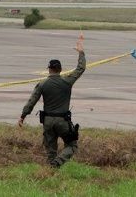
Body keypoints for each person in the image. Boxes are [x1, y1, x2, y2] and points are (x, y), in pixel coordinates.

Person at [18, 38, 86, 168]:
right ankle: (57, 163)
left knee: (51, 150)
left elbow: (32, 101)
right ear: (61, 69)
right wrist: (81, 53)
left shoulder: (42, 84)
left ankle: (51, 169)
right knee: (72, 145)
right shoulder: (67, 81)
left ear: (49, 69)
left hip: (48, 121)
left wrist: (23, 116)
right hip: (62, 121)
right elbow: (81, 68)